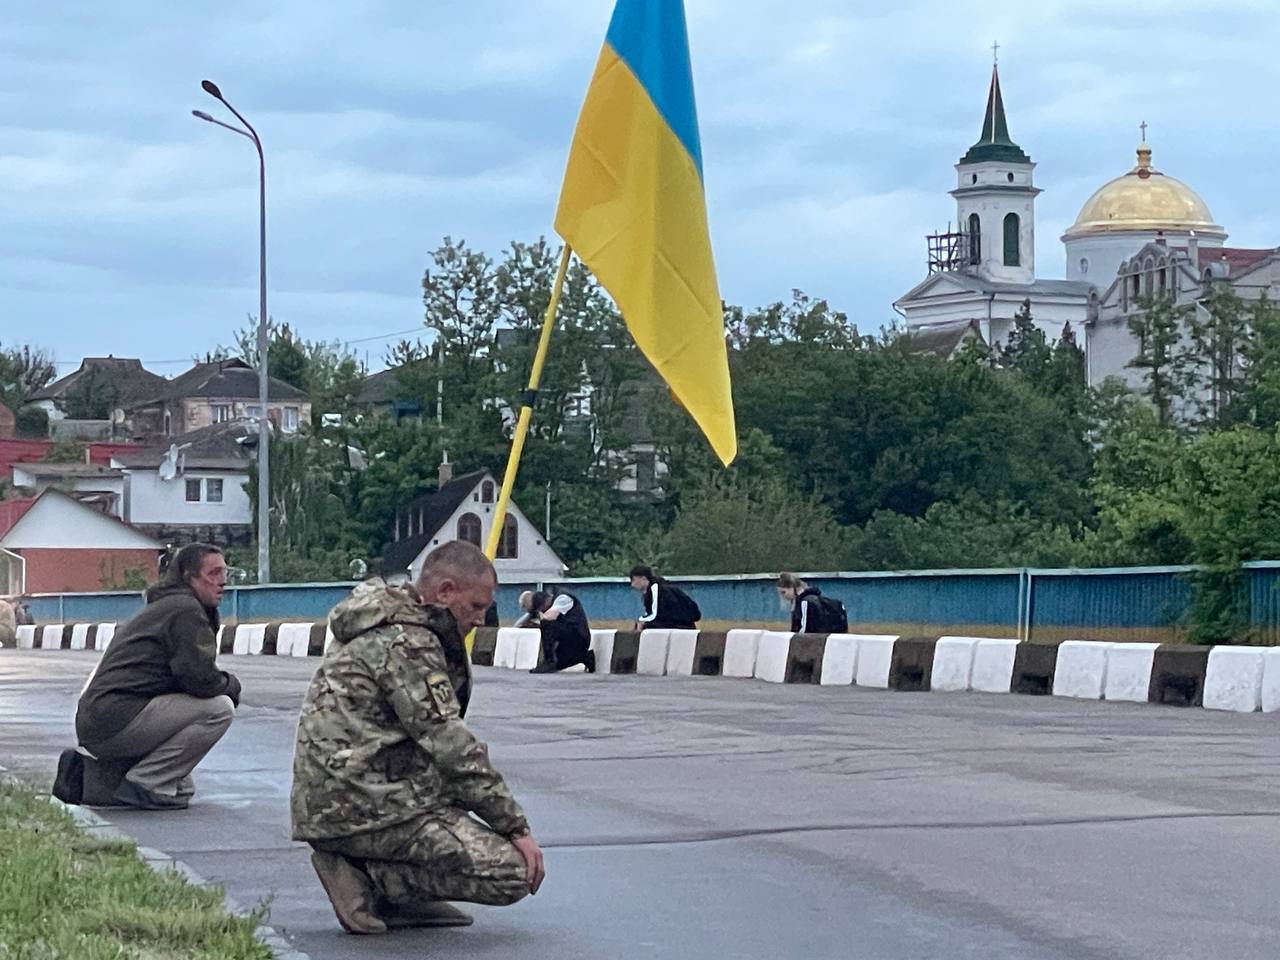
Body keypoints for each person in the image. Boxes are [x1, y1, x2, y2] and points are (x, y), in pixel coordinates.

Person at [291, 541, 545, 936]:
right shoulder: (407, 642)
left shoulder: (385, 621)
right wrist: (516, 828)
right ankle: (368, 879)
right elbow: (449, 742)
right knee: (513, 873)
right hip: (359, 803)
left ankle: (388, 886)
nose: (481, 619)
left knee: (463, 804)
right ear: (444, 592)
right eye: (475, 606)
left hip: (351, 792)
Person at [52, 543, 240, 811]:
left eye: (225, 572)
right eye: (213, 573)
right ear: (189, 577)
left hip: (101, 719)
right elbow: (198, 679)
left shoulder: (167, 606)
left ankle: (88, 779)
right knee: (219, 709)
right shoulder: (185, 609)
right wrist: (230, 685)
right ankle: (147, 783)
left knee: (182, 788)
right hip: (117, 717)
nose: (222, 581)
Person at [515, 589, 596, 673]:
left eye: (542, 609)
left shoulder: (563, 598)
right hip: (568, 640)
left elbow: (549, 617)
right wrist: (530, 618)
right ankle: (586, 657)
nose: (543, 611)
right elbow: (518, 625)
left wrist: (536, 621)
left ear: (546, 602)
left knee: (546, 624)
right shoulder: (550, 603)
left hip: (579, 637)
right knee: (559, 664)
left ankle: (549, 661)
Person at [629, 564, 701, 630]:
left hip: (682, 625)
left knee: (647, 626)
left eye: (634, 580)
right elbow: (650, 613)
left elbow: (655, 614)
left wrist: (641, 621)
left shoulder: (656, 588)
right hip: (673, 623)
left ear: (643, 578)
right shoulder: (652, 591)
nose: (632, 585)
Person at [776, 573, 848, 634]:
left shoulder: (805, 602)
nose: (783, 596)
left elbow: (802, 631)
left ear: (792, 588)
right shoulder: (816, 599)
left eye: (783, 592)